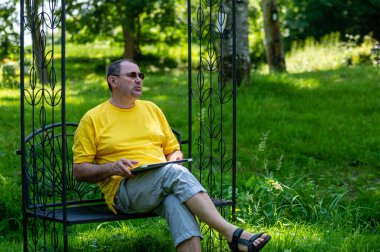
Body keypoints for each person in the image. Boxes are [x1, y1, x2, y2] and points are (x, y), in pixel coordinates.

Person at [72, 59, 271, 252]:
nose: (139, 79)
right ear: (112, 81)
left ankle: (231, 237)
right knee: (173, 173)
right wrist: (112, 167)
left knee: (176, 203)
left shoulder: (151, 109)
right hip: (124, 190)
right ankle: (233, 234)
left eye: (140, 75)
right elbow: (79, 170)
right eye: (132, 75)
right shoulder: (93, 119)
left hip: (161, 181)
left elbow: (173, 150)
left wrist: (174, 158)